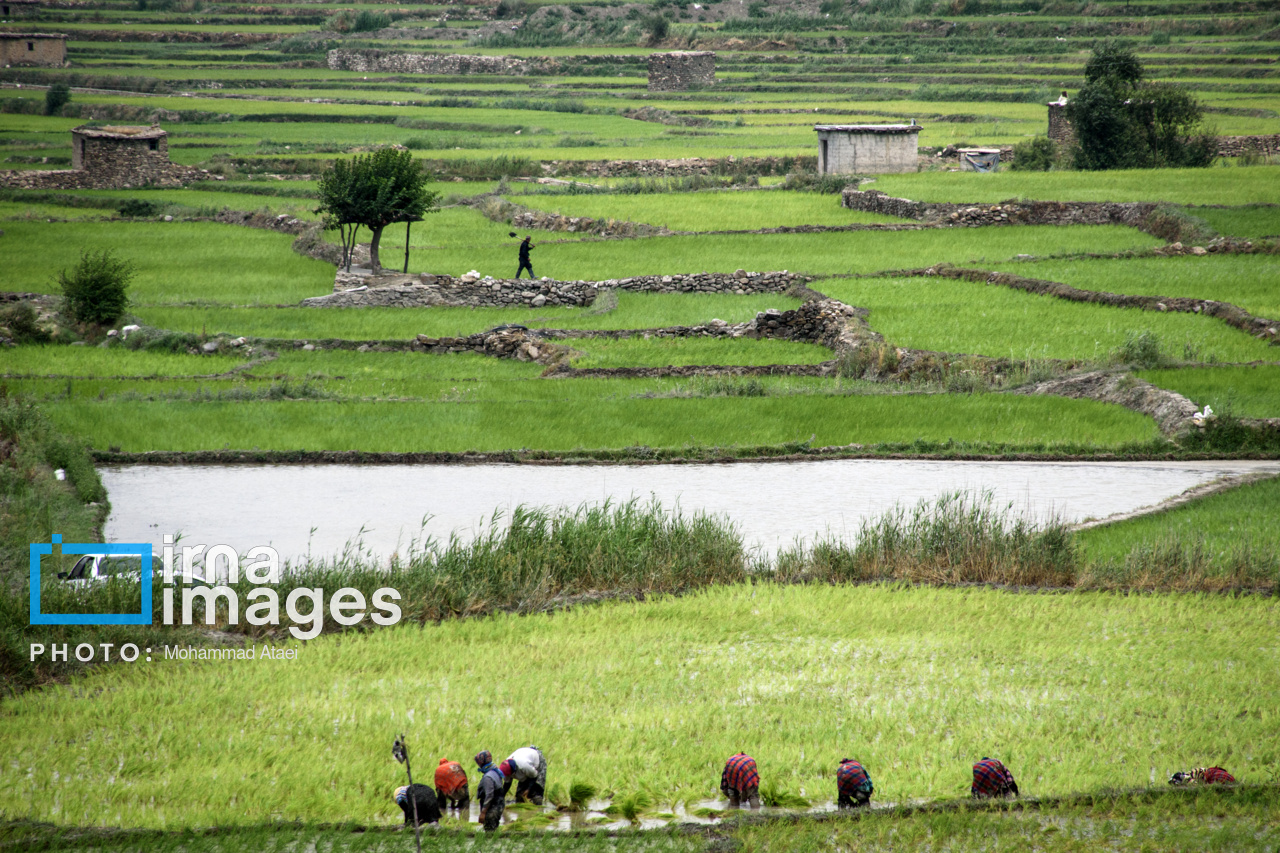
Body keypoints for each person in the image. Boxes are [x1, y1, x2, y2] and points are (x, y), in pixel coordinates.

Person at [475, 753, 506, 832]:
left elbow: (489, 795)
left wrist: (483, 813)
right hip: (499, 805)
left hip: (492, 808)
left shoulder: (488, 777)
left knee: (490, 831)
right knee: (494, 830)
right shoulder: (495, 771)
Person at [1169, 766, 1236, 785]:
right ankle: (1182, 778)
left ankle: (1181, 778)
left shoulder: (1207, 775)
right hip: (1231, 780)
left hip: (1220, 780)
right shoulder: (1210, 771)